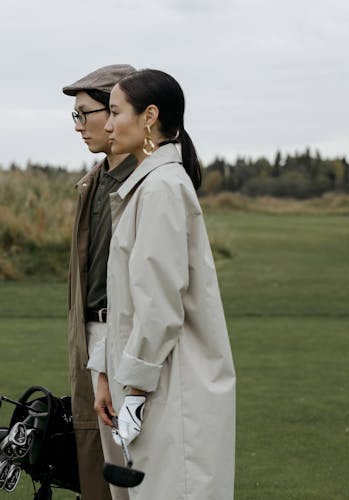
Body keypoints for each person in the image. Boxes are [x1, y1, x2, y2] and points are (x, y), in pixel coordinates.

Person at [94, 69, 236, 499]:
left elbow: (158, 305)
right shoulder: (150, 185)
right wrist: (106, 369)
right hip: (156, 383)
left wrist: (133, 390)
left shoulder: (161, 188)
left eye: (115, 112)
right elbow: (127, 302)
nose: (106, 124)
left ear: (149, 117)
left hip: (172, 388)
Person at [62, 64, 137, 500]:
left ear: (114, 111)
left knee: (136, 465)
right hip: (93, 336)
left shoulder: (148, 182)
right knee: (101, 466)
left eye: (82, 114)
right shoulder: (92, 182)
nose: (78, 127)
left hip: (124, 338)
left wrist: (107, 358)